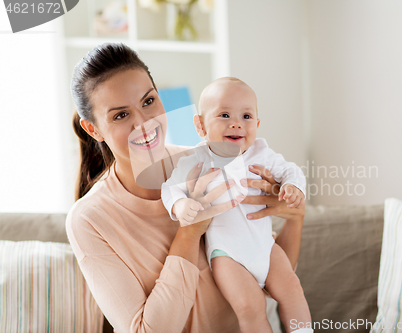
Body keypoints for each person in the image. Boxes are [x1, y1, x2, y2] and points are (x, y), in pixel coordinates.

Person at [65, 42, 308, 333]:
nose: (144, 123)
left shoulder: (207, 160)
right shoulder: (90, 220)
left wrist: (294, 218)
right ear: (93, 129)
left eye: (148, 101)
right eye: (120, 115)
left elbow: (266, 276)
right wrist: (190, 232)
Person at [161, 77, 312, 333]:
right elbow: (170, 188)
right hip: (227, 255)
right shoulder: (195, 159)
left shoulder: (262, 153)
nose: (236, 123)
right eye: (224, 114)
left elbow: (292, 170)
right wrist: (180, 205)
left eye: (246, 116)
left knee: (293, 289)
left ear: (257, 124)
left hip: (266, 246)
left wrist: (293, 187)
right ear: (200, 125)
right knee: (250, 307)